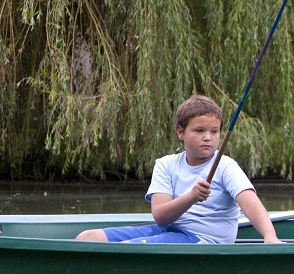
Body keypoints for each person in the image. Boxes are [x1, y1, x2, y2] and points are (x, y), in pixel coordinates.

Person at [76, 94, 280, 244]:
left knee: (127, 248)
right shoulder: (165, 164)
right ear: (180, 132)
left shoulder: (225, 166)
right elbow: (161, 216)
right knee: (88, 238)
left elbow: (250, 203)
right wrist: (191, 196)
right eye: (199, 130)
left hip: (203, 240)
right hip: (167, 229)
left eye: (214, 131)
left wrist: (270, 236)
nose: (208, 137)